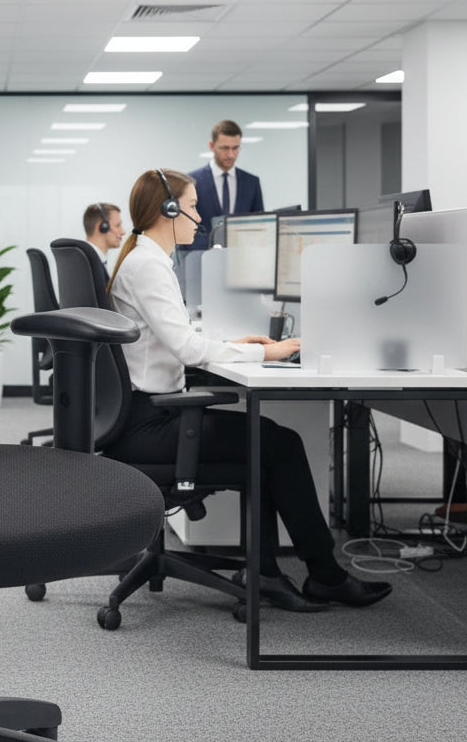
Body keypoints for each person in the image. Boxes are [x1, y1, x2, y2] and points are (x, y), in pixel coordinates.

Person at [102, 167, 391, 611]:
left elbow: (177, 340)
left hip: (141, 415)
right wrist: (266, 355)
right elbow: (186, 347)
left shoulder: (143, 258)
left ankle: (271, 573)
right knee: (280, 444)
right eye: (194, 206)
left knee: (270, 445)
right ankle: (320, 576)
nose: (199, 217)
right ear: (169, 209)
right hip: (148, 425)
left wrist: (232, 346)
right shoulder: (148, 266)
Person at [188, 119, 263, 250]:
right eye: (225, 148)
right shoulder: (192, 181)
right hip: (200, 260)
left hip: (241, 259)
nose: (230, 154)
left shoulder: (251, 183)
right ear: (212, 146)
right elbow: (186, 227)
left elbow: (259, 227)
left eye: (235, 148)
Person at [83, 202, 125, 281]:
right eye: (117, 225)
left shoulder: (84, 260)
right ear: (103, 227)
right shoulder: (92, 266)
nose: (123, 232)